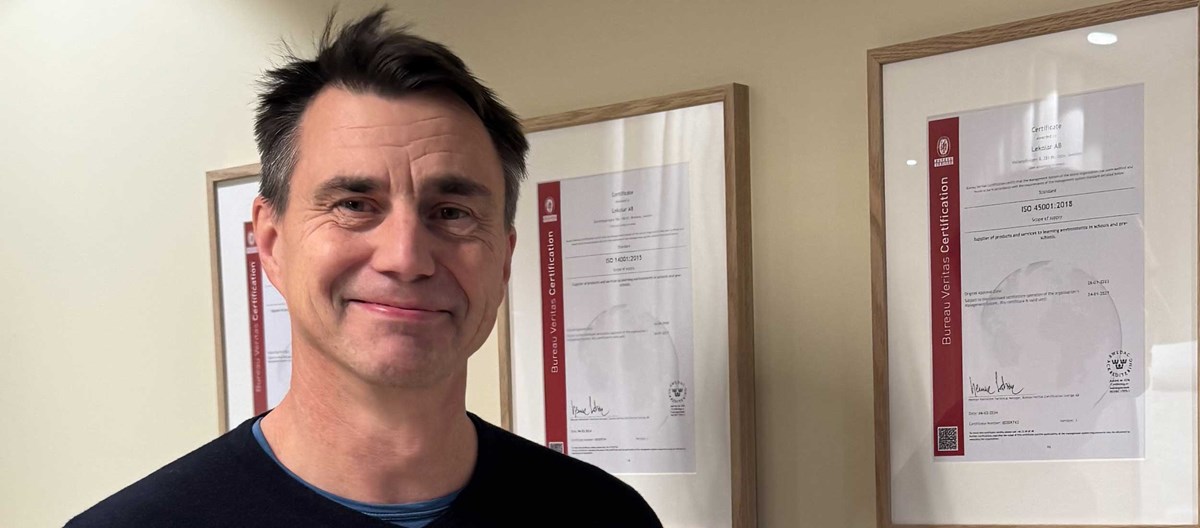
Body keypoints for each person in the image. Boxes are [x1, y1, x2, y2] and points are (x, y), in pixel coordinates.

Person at [68, 9, 661, 528]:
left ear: (503, 259)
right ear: (271, 243)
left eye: (451, 213)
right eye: (354, 205)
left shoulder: (606, 516)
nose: (406, 258)